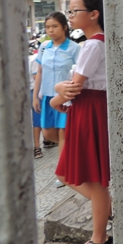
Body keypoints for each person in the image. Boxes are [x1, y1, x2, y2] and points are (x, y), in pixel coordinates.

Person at [51, 0, 112, 244]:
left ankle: (99, 238)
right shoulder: (98, 42)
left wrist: (55, 96)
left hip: (89, 108)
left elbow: (73, 88)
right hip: (89, 108)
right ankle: (105, 209)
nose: (71, 16)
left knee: (88, 177)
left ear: (94, 14)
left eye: (75, 11)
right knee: (75, 174)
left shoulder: (92, 44)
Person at [32, 12, 80, 178]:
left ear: (64, 27)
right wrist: (35, 97)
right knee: (48, 133)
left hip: (65, 98)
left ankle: (64, 173)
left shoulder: (74, 48)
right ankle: (72, 152)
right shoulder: (44, 47)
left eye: (55, 26)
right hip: (46, 96)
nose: (51, 30)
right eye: (48, 27)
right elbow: (39, 71)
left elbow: (79, 73)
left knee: (63, 133)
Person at [29, 45, 42, 159]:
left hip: (36, 90)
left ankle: (46, 141)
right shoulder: (35, 59)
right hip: (34, 91)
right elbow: (35, 76)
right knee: (37, 119)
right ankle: (37, 147)